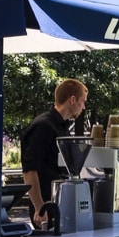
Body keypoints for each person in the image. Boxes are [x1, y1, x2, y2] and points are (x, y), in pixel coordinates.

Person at [22, 78, 89, 228]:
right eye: (83, 101)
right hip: (47, 204)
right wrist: (39, 207)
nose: (83, 107)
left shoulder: (61, 126)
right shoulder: (44, 126)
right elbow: (29, 170)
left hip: (58, 201)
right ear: (72, 100)